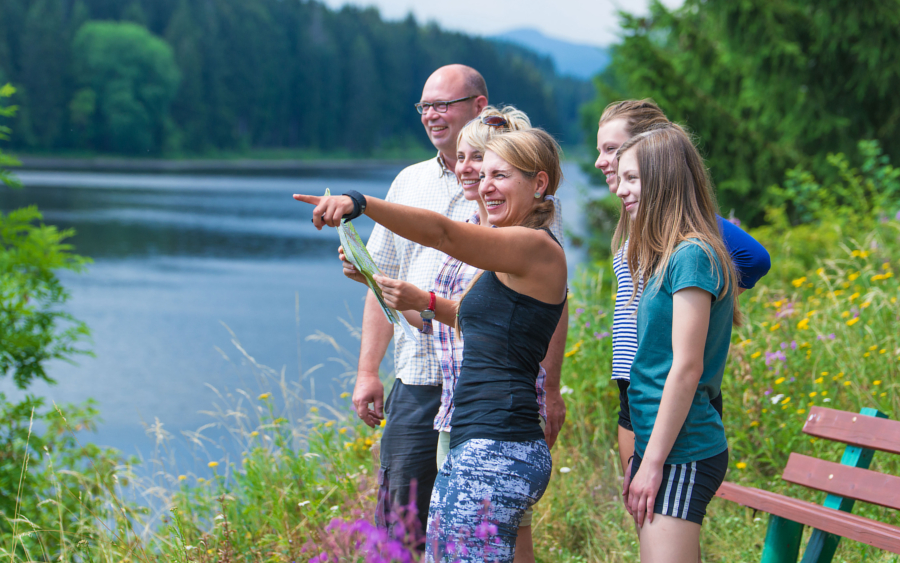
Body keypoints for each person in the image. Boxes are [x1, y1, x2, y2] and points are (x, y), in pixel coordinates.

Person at [295, 128, 567, 562]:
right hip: (480, 441)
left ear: (539, 183)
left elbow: (444, 234)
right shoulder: (512, 258)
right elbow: (472, 321)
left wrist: (360, 204)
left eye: (502, 175)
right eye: (485, 174)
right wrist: (374, 278)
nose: (486, 185)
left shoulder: (533, 245)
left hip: (495, 448)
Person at [593, 100, 770, 483]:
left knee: (665, 503)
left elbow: (754, 259)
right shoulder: (634, 215)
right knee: (645, 509)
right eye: (600, 151)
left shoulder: (683, 229)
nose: (601, 161)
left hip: (668, 384)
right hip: (636, 383)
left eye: (611, 149)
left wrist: (703, 301)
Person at [348, 64, 487, 541]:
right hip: (417, 381)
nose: (432, 115)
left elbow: (544, 299)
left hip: (480, 388)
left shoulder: (502, 180)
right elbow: (381, 283)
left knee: (476, 530)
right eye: (425, 106)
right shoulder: (408, 182)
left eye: (443, 104)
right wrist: (369, 371)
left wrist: (550, 390)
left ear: (478, 107)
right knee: (399, 527)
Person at [614, 124, 737, 562]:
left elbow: (686, 368)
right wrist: (644, 457)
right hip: (661, 447)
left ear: (664, 180)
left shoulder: (692, 255)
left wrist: (652, 464)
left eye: (633, 179)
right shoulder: (667, 255)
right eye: (620, 179)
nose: (622, 190)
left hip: (683, 449)